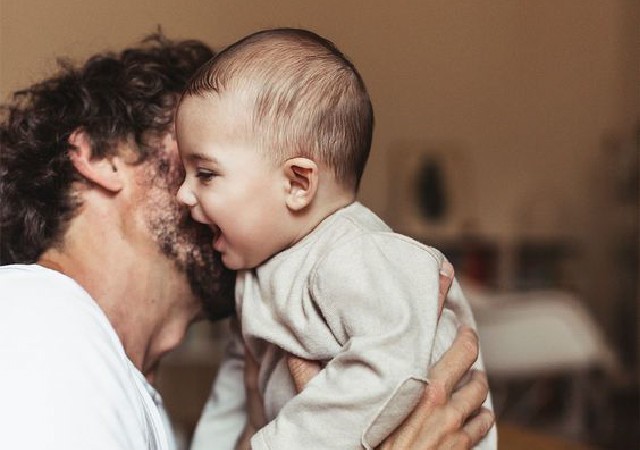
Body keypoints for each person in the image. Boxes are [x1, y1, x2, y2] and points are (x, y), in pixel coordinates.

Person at [0, 33, 493, 450]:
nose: (193, 193)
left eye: (209, 168)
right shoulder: (34, 318)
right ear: (104, 156)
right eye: (187, 155)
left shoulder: (119, 380)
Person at [177, 28, 496, 450]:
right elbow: (234, 392)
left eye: (205, 174)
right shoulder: (258, 272)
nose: (182, 194)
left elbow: (391, 372)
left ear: (297, 182)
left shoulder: (356, 253)